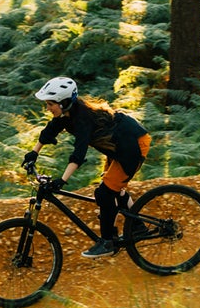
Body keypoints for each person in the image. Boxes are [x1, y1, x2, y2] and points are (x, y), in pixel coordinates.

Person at [22, 76, 151, 258]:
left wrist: (62, 180)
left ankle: (107, 242)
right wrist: (33, 153)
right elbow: (49, 131)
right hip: (119, 145)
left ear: (64, 102)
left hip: (132, 145)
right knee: (114, 189)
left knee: (104, 193)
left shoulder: (83, 119)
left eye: (51, 104)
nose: (48, 108)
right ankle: (138, 228)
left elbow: (79, 153)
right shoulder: (67, 115)